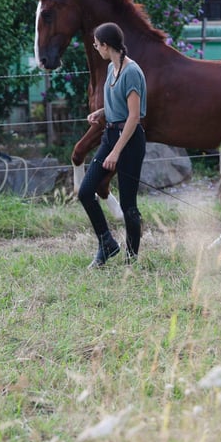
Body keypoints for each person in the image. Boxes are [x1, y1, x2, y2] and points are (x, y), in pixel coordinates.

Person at [78, 22, 147, 268]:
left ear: (106, 46)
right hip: (110, 135)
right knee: (85, 191)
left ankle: (132, 258)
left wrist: (116, 152)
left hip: (129, 142)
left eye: (97, 45)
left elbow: (134, 116)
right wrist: (101, 112)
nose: (95, 48)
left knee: (128, 203)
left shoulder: (132, 72)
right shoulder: (111, 69)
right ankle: (107, 243)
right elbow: (118, 107)